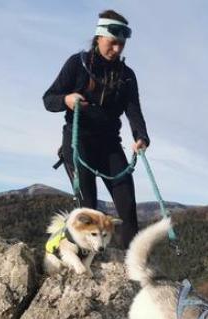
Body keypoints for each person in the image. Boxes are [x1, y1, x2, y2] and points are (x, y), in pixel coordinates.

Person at [43, 9, 149, 247]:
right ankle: (86, 257)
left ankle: (130, 267)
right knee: (88, 208)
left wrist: (141, 137)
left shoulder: (127, 76)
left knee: (127, 207)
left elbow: (134, 111)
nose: (117, 49)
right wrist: (67, 100)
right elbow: (49, 99)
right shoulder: (77, 64)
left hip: (109, 144)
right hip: (78, 141)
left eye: (122, 44)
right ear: (99, 37)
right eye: (113, 43)